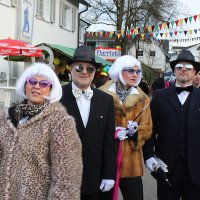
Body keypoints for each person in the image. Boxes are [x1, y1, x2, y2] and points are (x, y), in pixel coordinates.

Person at [0, 62, 83, 199]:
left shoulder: (60, 122)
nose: (37, 86)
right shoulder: (6, 117)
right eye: (32, 81)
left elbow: (66, 179)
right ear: (25, 84)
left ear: (51, 89)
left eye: (44, 84)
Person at [60, 45, 117, 200]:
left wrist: (109, 175)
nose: (84, 72)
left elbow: (109, 142)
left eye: (89, 69)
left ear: (94, 73)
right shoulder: (55, 97)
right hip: (63, 180)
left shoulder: (106, 100)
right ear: (71, 69)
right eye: (79, 67)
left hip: (95, 178)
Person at [143, 50, 200, 200]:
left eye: (188, 68)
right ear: (174, 70)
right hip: (166, 166)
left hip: (196, 168)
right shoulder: (160, 96)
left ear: (195, 73)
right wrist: (148, 155)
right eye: (179, 66)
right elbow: (151, 127)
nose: (183, 70)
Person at [99, 55, 152, 200]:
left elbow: (147, 128)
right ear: (119, 70)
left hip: (131, 165)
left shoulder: (143, 99)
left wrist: (135, 133)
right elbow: (95, 126)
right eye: (130, 71)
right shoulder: (101, 94)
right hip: (106, 163)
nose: (135, 75)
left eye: (137, 71)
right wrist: (112, 132)